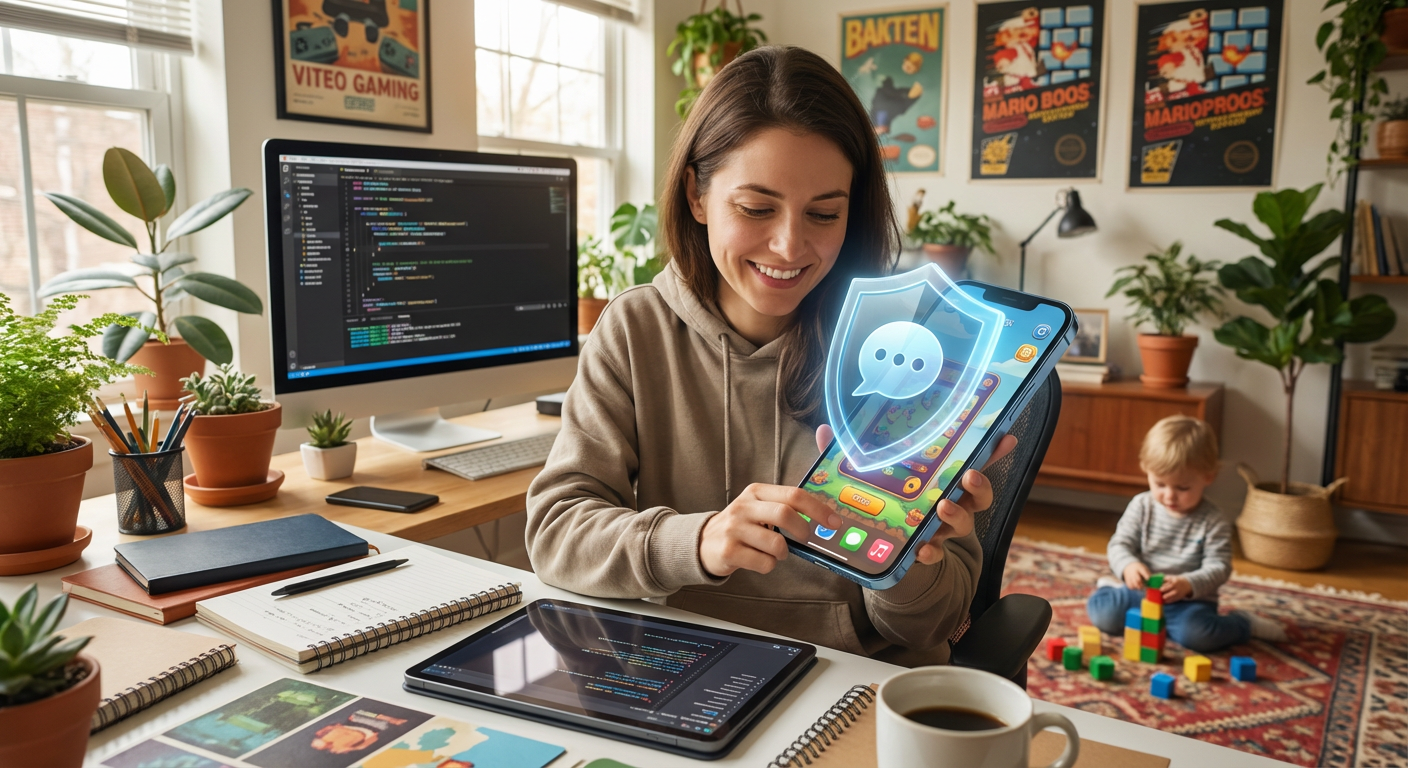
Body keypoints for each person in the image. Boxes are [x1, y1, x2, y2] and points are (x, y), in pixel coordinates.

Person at [525, 46, 1016, 667]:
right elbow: (556, 534)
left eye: (824, 213)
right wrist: (697, 541)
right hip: (681, 666)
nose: (789, 245)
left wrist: (911, 559)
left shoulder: (913, 350)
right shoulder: (633, 328)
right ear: (697, 197)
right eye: (756, 208)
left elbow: (931, 626)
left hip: (853, 680)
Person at [1086, 415, 1285, 652]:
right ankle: (1110, 587)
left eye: (1182, 488)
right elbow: (1119, 544)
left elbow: (1220, 567)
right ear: (1146, 469)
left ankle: (1243, 624)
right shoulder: (1141, 506)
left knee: (1198, 636)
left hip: (1189, 603)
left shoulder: (1213, 520)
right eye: (1160, 484)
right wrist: (1128, 566)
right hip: (1140, 593)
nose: (1169, 496)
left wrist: (1188, 584)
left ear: (1208, 477)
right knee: (1103, 615)